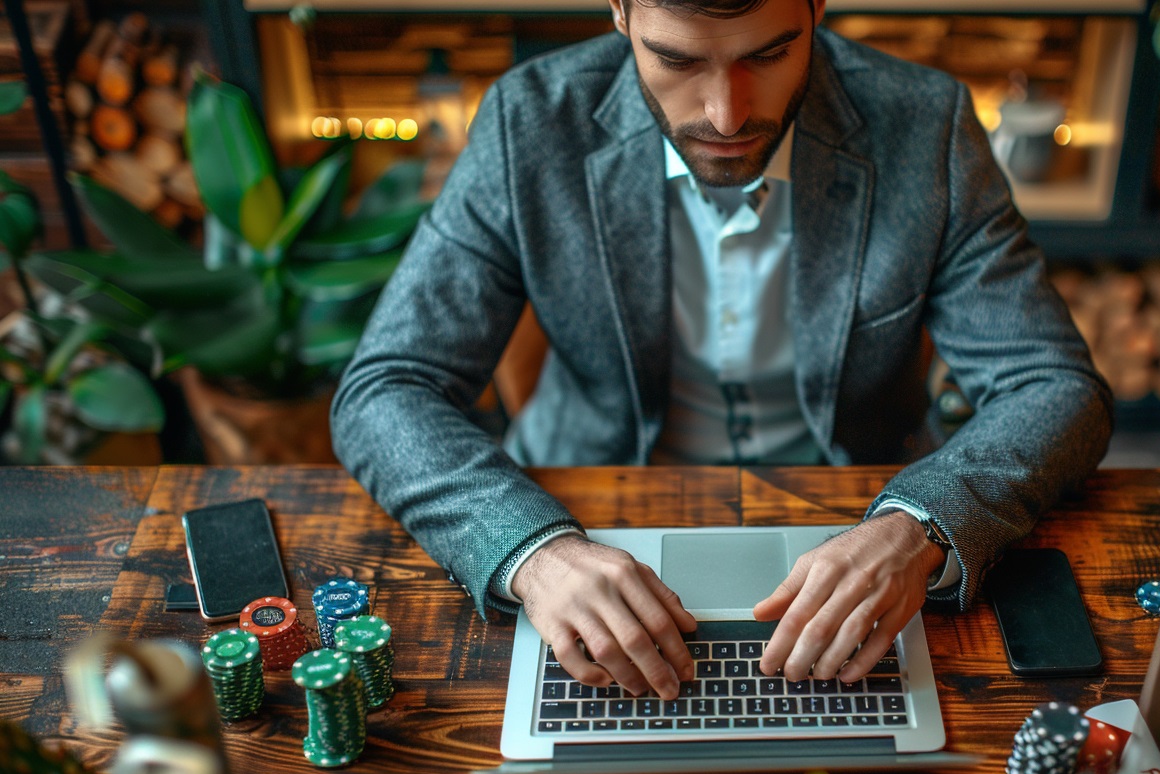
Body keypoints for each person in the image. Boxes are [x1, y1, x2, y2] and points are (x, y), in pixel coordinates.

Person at [331, 0, 1112, 702]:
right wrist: (530, 552)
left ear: (818, 10)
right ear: (619, 15)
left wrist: (920, 528)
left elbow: (1053, 385)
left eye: (768, 55)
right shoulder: (527, 121)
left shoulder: (927, 122)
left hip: (856, 514)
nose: (727, 112)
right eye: (675, 59)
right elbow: (385, 388)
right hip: (585, 515)